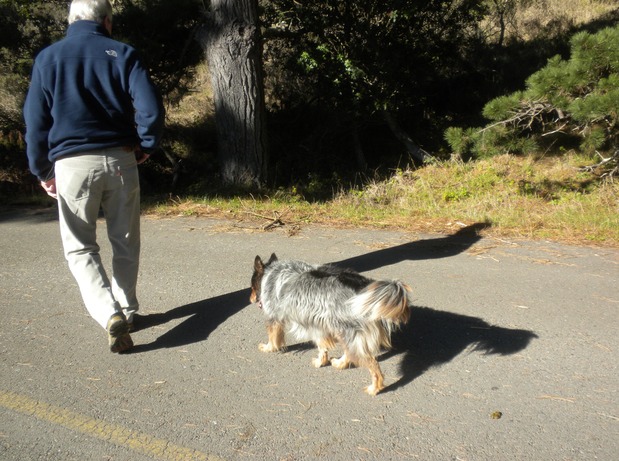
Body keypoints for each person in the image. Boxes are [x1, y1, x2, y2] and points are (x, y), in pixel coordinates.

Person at [23, 0, 164, 353]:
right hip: (120, 160)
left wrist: (41, 169)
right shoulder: (124, 54)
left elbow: (36, 122)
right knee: (125, 240)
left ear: (71, 20)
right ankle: (127, 311)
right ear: (106, 21)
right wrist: (145, 144)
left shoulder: (48, 58)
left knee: (80, 247)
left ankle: (108, 313)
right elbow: (150, 108)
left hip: (70, 165)